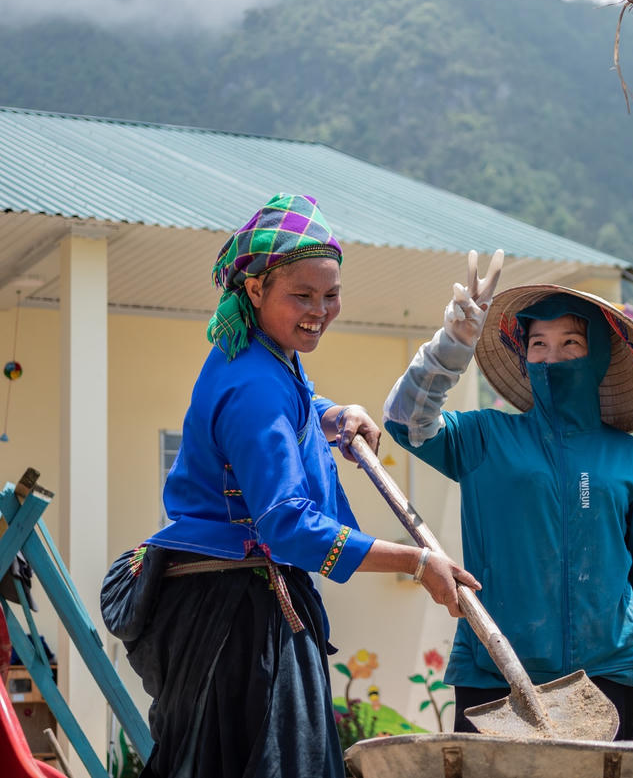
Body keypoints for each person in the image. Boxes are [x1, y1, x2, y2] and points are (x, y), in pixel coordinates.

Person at [100, 194, 479, 778]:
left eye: (331, 295)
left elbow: (291, 409)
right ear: (254, 291)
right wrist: (415, 561)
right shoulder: (255, 383)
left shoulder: (266, 356)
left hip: (231, 602)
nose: (320, 310)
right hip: (238, 623)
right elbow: (288, 524)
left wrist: (331, 415)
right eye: (301, 295)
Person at [382, 271, 633, 741]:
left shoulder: (632, 458)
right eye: (538, 344)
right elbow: (407, 423)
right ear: (524, 356)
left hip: (604, 678)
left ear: (598, 355)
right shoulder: (485, 437)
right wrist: (453, 342)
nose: (552, 357)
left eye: (571, 342)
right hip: (495, 676)